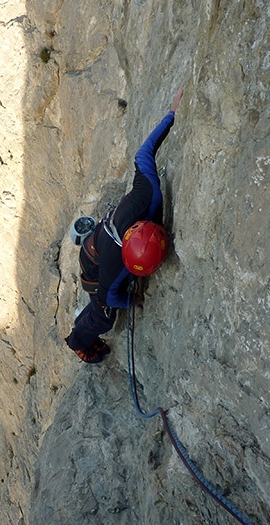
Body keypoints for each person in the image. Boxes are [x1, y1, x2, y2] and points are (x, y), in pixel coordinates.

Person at [65, 87, 184, 363]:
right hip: (95, 262)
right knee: (104, 316)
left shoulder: (147, 197)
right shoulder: (115, 271)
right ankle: (78, 343)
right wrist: (133, 301)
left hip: (98, 245)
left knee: (99, 305)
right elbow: (111, 298)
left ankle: (81, 327)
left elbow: (144, 154)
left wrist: (172, 114)